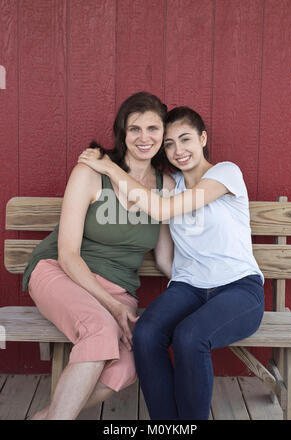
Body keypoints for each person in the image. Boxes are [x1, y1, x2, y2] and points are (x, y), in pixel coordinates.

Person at [78, 106, 264, 420]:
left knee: (190, 337)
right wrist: (181, 282)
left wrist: (109, 169)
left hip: (238, 289)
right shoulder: (169, 186)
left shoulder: (225, 173)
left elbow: (164, 212)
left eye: (186, 139)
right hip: (189, 288)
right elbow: (165, 254)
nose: (178, 150)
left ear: (203, 138)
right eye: (169, 143)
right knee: (147, 334)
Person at [22, 91, 175, 420]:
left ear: (164, 134)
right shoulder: (92, 172)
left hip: (120, 290)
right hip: (62, 273)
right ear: (122, 132)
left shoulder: (167, 187)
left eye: (153, 128)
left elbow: (165, 260)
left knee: (130, 365)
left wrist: (204, 290)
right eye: (135, 128)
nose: (144, 137)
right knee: (100, 330)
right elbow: (67, 254)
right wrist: (111, 306)